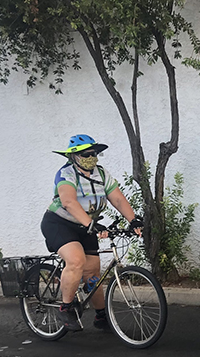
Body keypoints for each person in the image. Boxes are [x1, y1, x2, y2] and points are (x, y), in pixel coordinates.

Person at [41, 135, 143, 332]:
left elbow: (118, 199)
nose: (92, 157)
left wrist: (133, 220)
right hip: (59, 223)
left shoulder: (101, 174)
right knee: (76, 261)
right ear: (74, 157)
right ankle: (66, 307)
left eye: (94, 153)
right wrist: (91, 223)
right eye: (86, 154)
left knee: (93, 273)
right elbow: (69, 202)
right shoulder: (66, 174)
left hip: (86, 225)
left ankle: (102, 315)